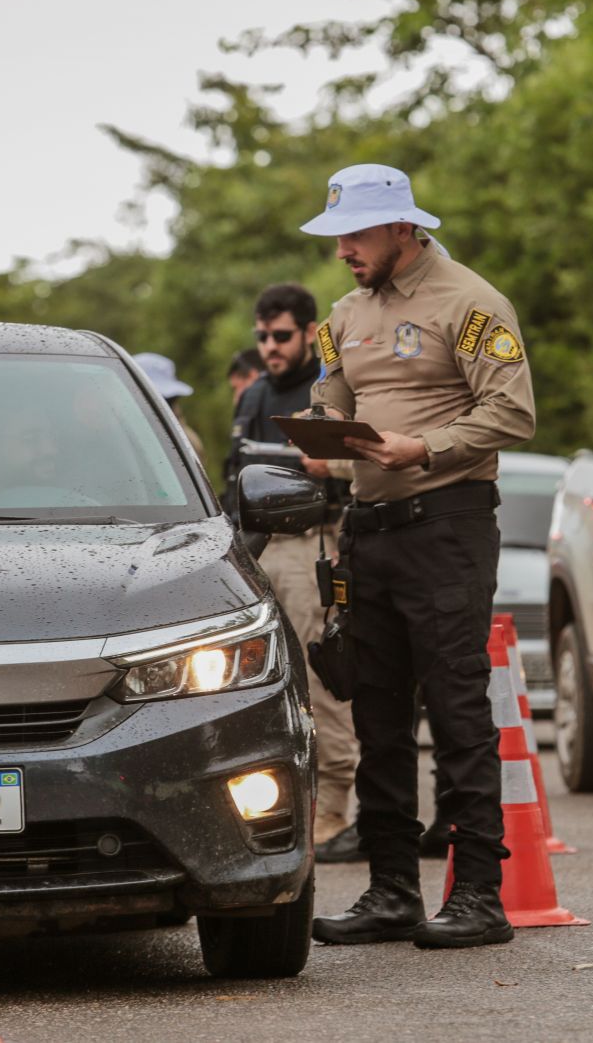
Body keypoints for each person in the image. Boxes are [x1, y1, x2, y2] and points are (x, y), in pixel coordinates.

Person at [303, 164, 535, 950]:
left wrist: (425, 447)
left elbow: (514, 410)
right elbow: (333, 399)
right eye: (338, 235)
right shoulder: (343, 314)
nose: (344, 250)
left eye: (358, 234)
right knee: (378, 713)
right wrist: (318, 435)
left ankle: (477, 893)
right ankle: (392, 888)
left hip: (447, 525)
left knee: (459, 707)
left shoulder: (471, 301)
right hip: (370, 530)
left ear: (403, 226)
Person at [225, 284, 363, 861]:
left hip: (314, 543)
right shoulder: (253, 394)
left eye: (281, 336)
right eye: (262, 337)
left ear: (309, 332)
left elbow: (360, 466)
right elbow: (234, 475)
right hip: (257, 548)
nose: (270, 346)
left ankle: (333, 807)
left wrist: (327, 458)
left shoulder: (329, 390)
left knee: (321, 675)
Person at [136, 352, 204, 461]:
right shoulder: (118, 434)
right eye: (158, 399)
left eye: (170, 400)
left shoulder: (188, 441)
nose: (165, 407)